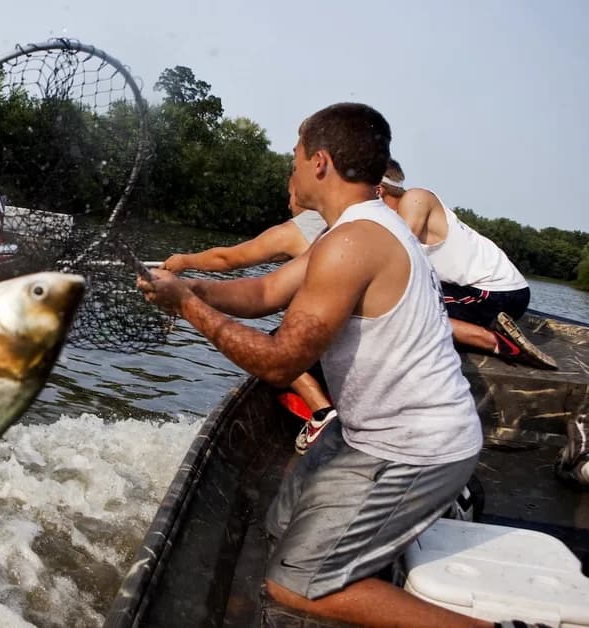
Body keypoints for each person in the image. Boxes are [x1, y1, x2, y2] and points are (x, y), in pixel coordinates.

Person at [138, 103, 488, 627]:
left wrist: (187, 308)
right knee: (280, 523)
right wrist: (189, 285)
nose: (293, 167)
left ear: (319, 161)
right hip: (370, 434)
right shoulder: (351, 232)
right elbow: (265, 290)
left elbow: (280, 364)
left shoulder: (353, 243)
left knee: (292, 587)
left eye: (296, 156)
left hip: (417, 450)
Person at [161, 181, 337, 454]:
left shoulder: (296, 230)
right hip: (345, 349)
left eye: (290, 191)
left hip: (327, 346)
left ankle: (321, 412)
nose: (289, 201)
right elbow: (267, 290)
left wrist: (185, 261)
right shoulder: (344, 226)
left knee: (278, 343)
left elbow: (228, 260)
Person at [378, 159, 557, 370]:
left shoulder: (415, 199)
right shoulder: (392, 217)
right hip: (478, 291)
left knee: (401, 307)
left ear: (378, 190)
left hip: (499, 293)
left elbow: (396, 258)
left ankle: (494, 341)